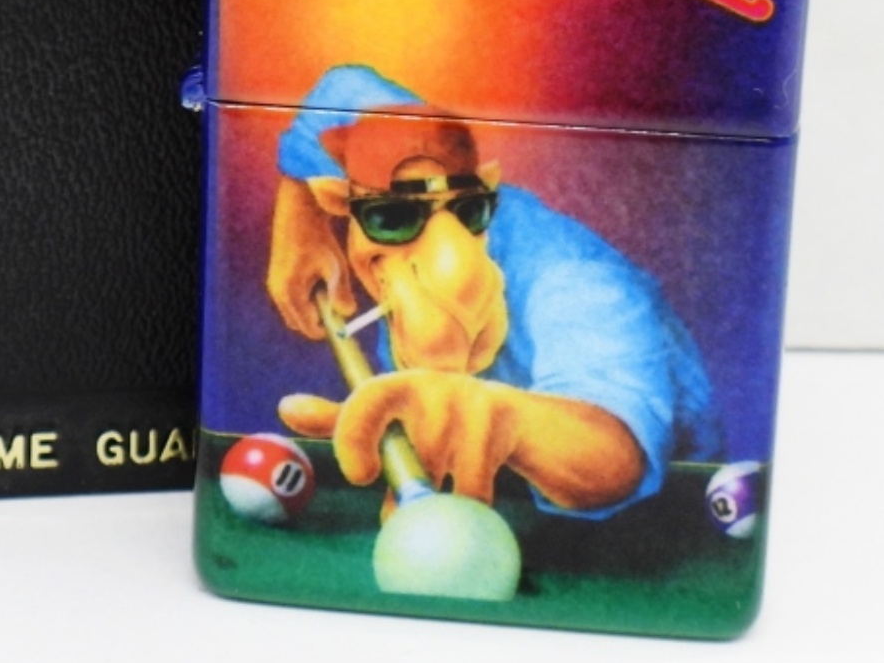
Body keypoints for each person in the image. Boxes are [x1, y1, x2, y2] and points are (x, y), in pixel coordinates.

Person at [267, 65, 720, 519]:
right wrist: (299, 218)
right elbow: (340, 89)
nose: (445, 254)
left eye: (469, 211)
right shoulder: (406, 143)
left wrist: (499, 416)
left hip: (661, 516)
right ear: (340, 197)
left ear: (485, 193)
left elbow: (615, 453)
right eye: (389, 217)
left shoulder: (578, 282)